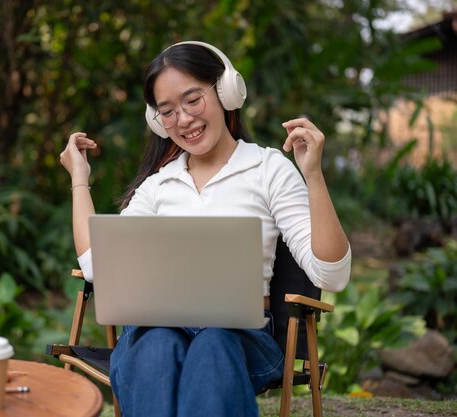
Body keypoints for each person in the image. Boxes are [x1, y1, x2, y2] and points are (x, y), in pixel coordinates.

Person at [59, 41, 351, 417]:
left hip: (240, 340)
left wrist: (312, 175)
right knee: (158, 345)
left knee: (213, 343)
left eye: (193, 100)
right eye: (167, 111)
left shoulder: (270, 169)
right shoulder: (157, 186)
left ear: (227, 90)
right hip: (154, 333)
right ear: (156, 120)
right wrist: (80, 181)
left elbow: (332, 273)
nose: (182, 120)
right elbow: (99, 267)